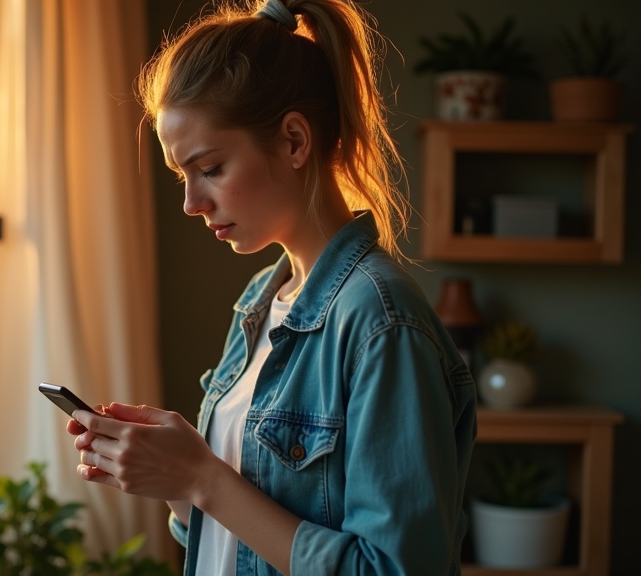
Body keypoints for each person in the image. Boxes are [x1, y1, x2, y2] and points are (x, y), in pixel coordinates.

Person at [66, 0, 477, 574]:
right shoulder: (263, 301)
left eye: (209, 169)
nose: (191, 203)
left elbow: (393, 568)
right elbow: (237, 531)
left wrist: (203, 479)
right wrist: (173, 479)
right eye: (182, 176)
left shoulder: (380, 322)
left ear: (292, 140)